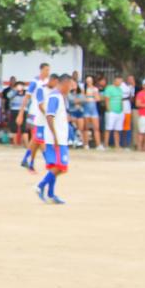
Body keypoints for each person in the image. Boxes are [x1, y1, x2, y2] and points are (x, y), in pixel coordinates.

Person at [37, 75, 74, 204]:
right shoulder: (55, 97)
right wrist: (55, 136)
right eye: (70, 85)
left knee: (57, 167)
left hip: (59, 138)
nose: (71, 88)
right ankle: (40, 185)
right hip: (56, 140)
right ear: (65, 83)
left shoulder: (60, 97)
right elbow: (49, 116)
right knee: (60, 166)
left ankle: (51, 194)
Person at [17, 63, 51, 169]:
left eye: (48, 70)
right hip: (34, 112)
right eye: (46, 70)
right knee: (38, 136)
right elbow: (26, 98)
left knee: (36, 137)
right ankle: (48, 161)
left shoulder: (48, 82)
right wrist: (21, 113)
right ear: (41, 70)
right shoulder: (35, 82)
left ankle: (26, 159)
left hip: (42, 112)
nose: (47, 72)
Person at [102, 75, 124, 149]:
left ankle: (117, 145)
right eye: (119, 80)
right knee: (108, 128)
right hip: (111, 112)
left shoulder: (120, 89)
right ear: (115, 80)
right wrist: (109, 110)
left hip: (119, 112)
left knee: (117, 129)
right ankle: (105, 144)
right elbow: (107, 99)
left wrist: (122, 110)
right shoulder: (109, 88)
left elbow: (121, 100)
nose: (121, 82)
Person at [81, 75, 102, 149]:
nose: (89, 82)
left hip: (93, 109)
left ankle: (98, 144)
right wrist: (89, 96)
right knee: (86, 128)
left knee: (96, 128)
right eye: (87, 81)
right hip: (86, 109)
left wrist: (90, 96)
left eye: (90, 80)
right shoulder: (84, 89)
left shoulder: (95, 89)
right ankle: (86, 144)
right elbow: (83, 98)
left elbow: (98, 99)